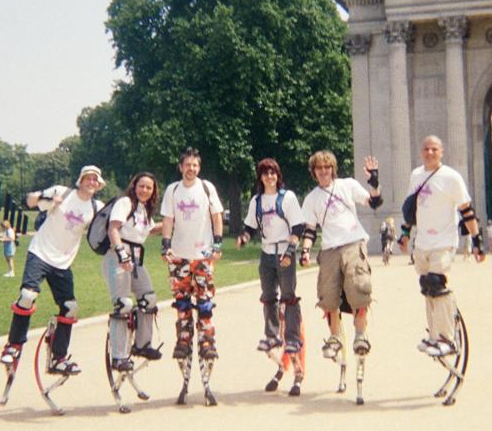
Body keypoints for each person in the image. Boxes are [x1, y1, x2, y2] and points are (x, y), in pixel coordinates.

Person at [0, 165, 106, 375]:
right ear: (80, 180)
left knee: (70, 307)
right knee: (27, 295)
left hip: (63, 263)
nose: (91, 182)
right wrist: (42, 198)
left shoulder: (96, 207)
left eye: (95, 179)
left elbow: (112, 224)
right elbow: (29, 201)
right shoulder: (62, 192)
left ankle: (59, 357)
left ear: (99, 184)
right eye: (88, 178)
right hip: (40, 252)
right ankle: (14, 345)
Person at [399, 135, 484, 358]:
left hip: (445, 240)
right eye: (426, 149)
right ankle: (434, 335)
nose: (429, 153)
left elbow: (466, 210)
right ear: (421, 152)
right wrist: (405, 234)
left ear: (442, 152)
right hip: (423, 242)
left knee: (437, 283)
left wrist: (477, 241)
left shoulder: (451, 177)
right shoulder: (416, 176)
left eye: (434, 149)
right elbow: (412, 208)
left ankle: (448, 338)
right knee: (427, 287)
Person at [299, 151, 383, 359]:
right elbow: (310, 229)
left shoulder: (347, 185)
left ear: (333, 169)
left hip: (353, 243)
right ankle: (335, 337)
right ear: (314, 172)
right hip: (329, 248)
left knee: (359, 288)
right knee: (327, 295)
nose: (324, 171)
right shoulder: (311, 199)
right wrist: (306, 250)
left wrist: (374, 182)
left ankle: (360, 334)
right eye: (319, 168)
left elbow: (374, 203)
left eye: (327, 167)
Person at [236, 158, 306, 395]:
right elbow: (250, 227)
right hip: (267, 253)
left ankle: (293, 339)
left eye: (273, 173)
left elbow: (298, 228)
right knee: (268, 296)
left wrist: (291, 251)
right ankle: (271, 336)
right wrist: (244, 238)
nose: (269, 177)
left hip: (284, 251)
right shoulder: (256, 201)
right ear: (260, 177)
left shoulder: (287, 198)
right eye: (265, 173)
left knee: (288, 297)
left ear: (278, 176)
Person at [160, 148, 225, 362]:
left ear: (199, 167)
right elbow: (168, 219)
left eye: (195, 165)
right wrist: (165, 245)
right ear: (180, 167)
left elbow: (217, 217)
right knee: (182, 301)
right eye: (187, 165)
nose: (191, 169)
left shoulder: (206, 188)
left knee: (205, 300)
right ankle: (184, 338)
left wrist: (217, 244)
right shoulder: (173, 189)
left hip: (203, 254)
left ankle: (207, 339)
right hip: (179, 255)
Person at [104, 172, 163, 372]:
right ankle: (119, 356)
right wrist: (122, 254)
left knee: (149, 299)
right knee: (124, 304)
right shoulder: (125, 203)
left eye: (149, 187)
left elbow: (152, 230)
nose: (145, 190)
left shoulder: (144, 210)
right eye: (142, 186)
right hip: (118, 256)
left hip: (137, 259)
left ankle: (142, 345)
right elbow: (113, 229)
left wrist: (176, 221)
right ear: (134, 186)